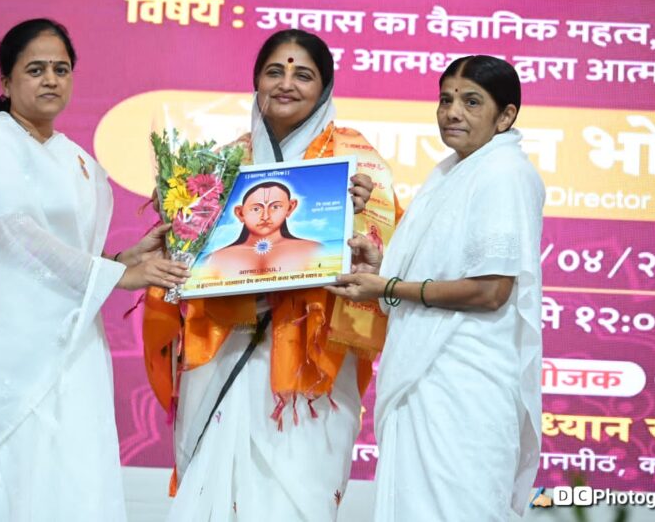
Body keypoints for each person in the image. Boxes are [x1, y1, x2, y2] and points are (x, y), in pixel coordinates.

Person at [0, 19, 188, 521]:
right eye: (36, 69)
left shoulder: (78, 161)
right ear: (6, 81)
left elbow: (70, 254)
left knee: (73, 477)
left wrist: (123, 260)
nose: (50, 80)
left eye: (61, 70)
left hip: (71, 344)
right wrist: (114, 277)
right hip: (1, 353)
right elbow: (11, 233)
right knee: (10, 480)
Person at [144, 29, 402, 521]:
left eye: (303, 74)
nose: (286, 83)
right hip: (226, 342)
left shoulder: (357, 161)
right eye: (274, 71)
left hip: (311, 359)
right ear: (256, 80)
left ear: (324, 88)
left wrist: (362, 215)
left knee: (295, 496)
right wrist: (180, 219)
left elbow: (388, 256)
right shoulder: (223, 163)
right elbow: (187, 259)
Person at [326, 55, 545, 521]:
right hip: (433, 378)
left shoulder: (503, 172)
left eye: (471, 102)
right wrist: (381, 269)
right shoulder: (454, 171)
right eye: (446, 100)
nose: (452, 112)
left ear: (505, 116)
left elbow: (491, 290)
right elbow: (442, 268)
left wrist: (388, 286)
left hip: (464, 384)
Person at [205, 180, 321, 278]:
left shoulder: (314, 250)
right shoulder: (215, 259)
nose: (265, 217)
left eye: (275, 207)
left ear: (290, 207)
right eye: (256, 209)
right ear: (240, 213)